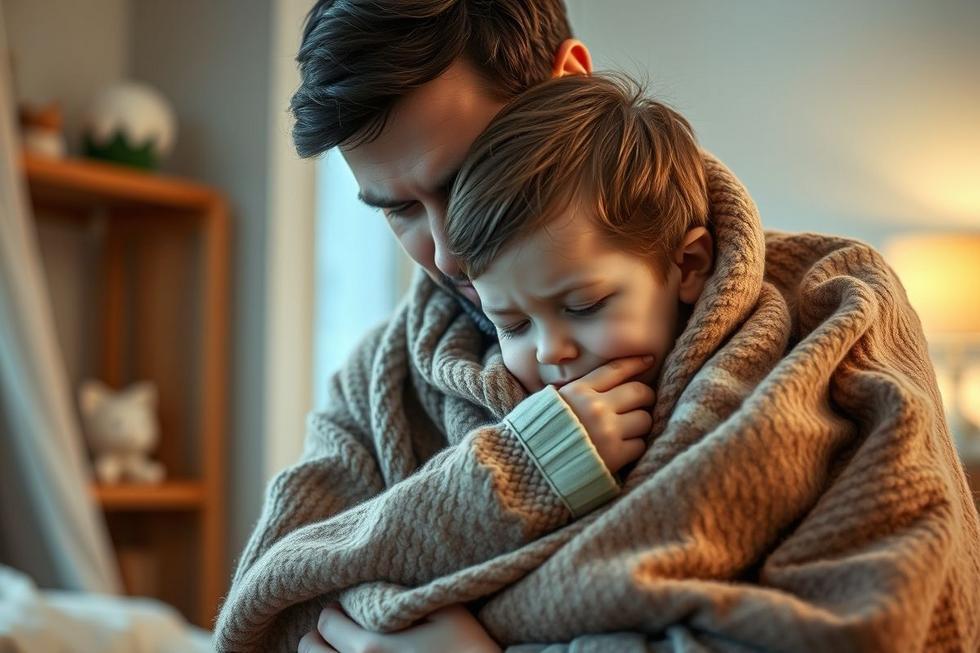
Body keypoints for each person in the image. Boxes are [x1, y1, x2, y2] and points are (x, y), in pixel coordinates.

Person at [214, 2, 980, 652]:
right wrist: (498, 484)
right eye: (401, 209)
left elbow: (887, 626)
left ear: (569, 81)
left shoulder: (835, 306)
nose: (447, 253)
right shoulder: (379, 380)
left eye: (461, 178)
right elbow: (267, 613)